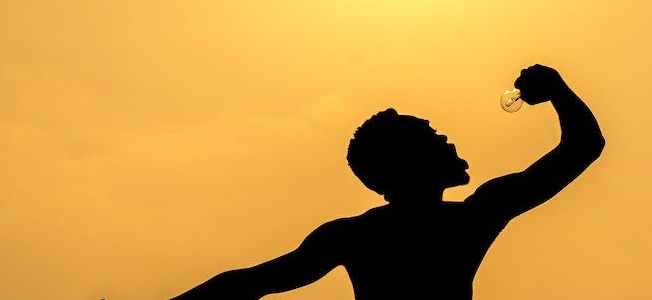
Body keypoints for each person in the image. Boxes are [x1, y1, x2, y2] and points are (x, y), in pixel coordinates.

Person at [170, 64, 605, 300]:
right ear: (410, 162)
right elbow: (583, 147)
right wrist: (558, 90)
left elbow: (246, 283)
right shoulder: (473, 219)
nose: (445, 137)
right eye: (430, 135)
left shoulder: (351, 235)